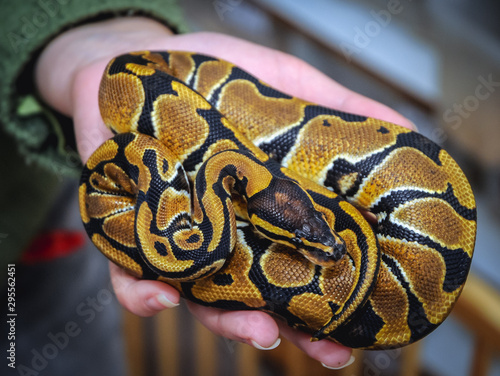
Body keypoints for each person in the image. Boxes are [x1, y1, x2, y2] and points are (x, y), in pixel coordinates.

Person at [2, 2, 415, 373]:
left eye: (312, 235)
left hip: (42, 247)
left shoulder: (229, 184)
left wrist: (85, 41)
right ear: (249, 213)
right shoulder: (216, 209)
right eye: (304, 241)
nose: (327, 246)